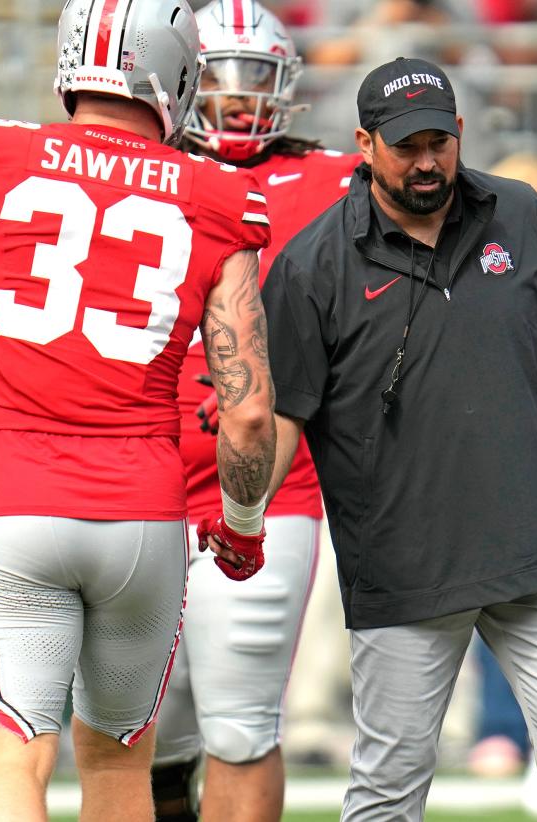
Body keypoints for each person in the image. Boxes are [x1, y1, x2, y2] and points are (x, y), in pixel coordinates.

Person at [0, 0, 278, 818]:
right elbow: (249, 413)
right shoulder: (219, 193)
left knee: (10, 759)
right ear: (178, 71)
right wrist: (246, 521)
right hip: (145, 516)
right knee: (118, 770)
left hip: (15, 503)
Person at [260, 56, 537, 821]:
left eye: (439, 140)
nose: (427, 160)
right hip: (402, 561)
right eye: (406, 145)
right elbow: (281, 415)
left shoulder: (524, 214)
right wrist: (239, 513)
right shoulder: (310, 265)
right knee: (390, 785)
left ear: (461, 131)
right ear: (364, 144)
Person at [150, 2, 360, 820]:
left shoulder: (337, 180)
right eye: (214, 78)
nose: (236, 99)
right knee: (144, 727)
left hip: (275, 477)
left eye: (254, 79)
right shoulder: (138, 165)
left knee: (241, 726)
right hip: (140, 466)